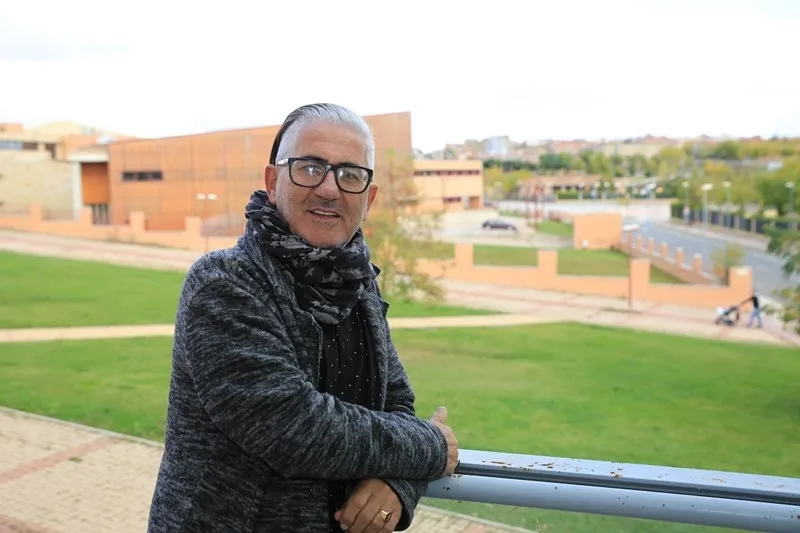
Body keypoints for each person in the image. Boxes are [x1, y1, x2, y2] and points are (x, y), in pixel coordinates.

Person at [147, 103, 460, 533]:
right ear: (273, 181)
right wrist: (429, 446)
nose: (330, 189)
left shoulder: (357, 282)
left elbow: (397, 404)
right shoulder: (224, 283)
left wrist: (397, 484)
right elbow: (293, 428)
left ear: (368, 198)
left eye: (350, 174)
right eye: (310, 167)